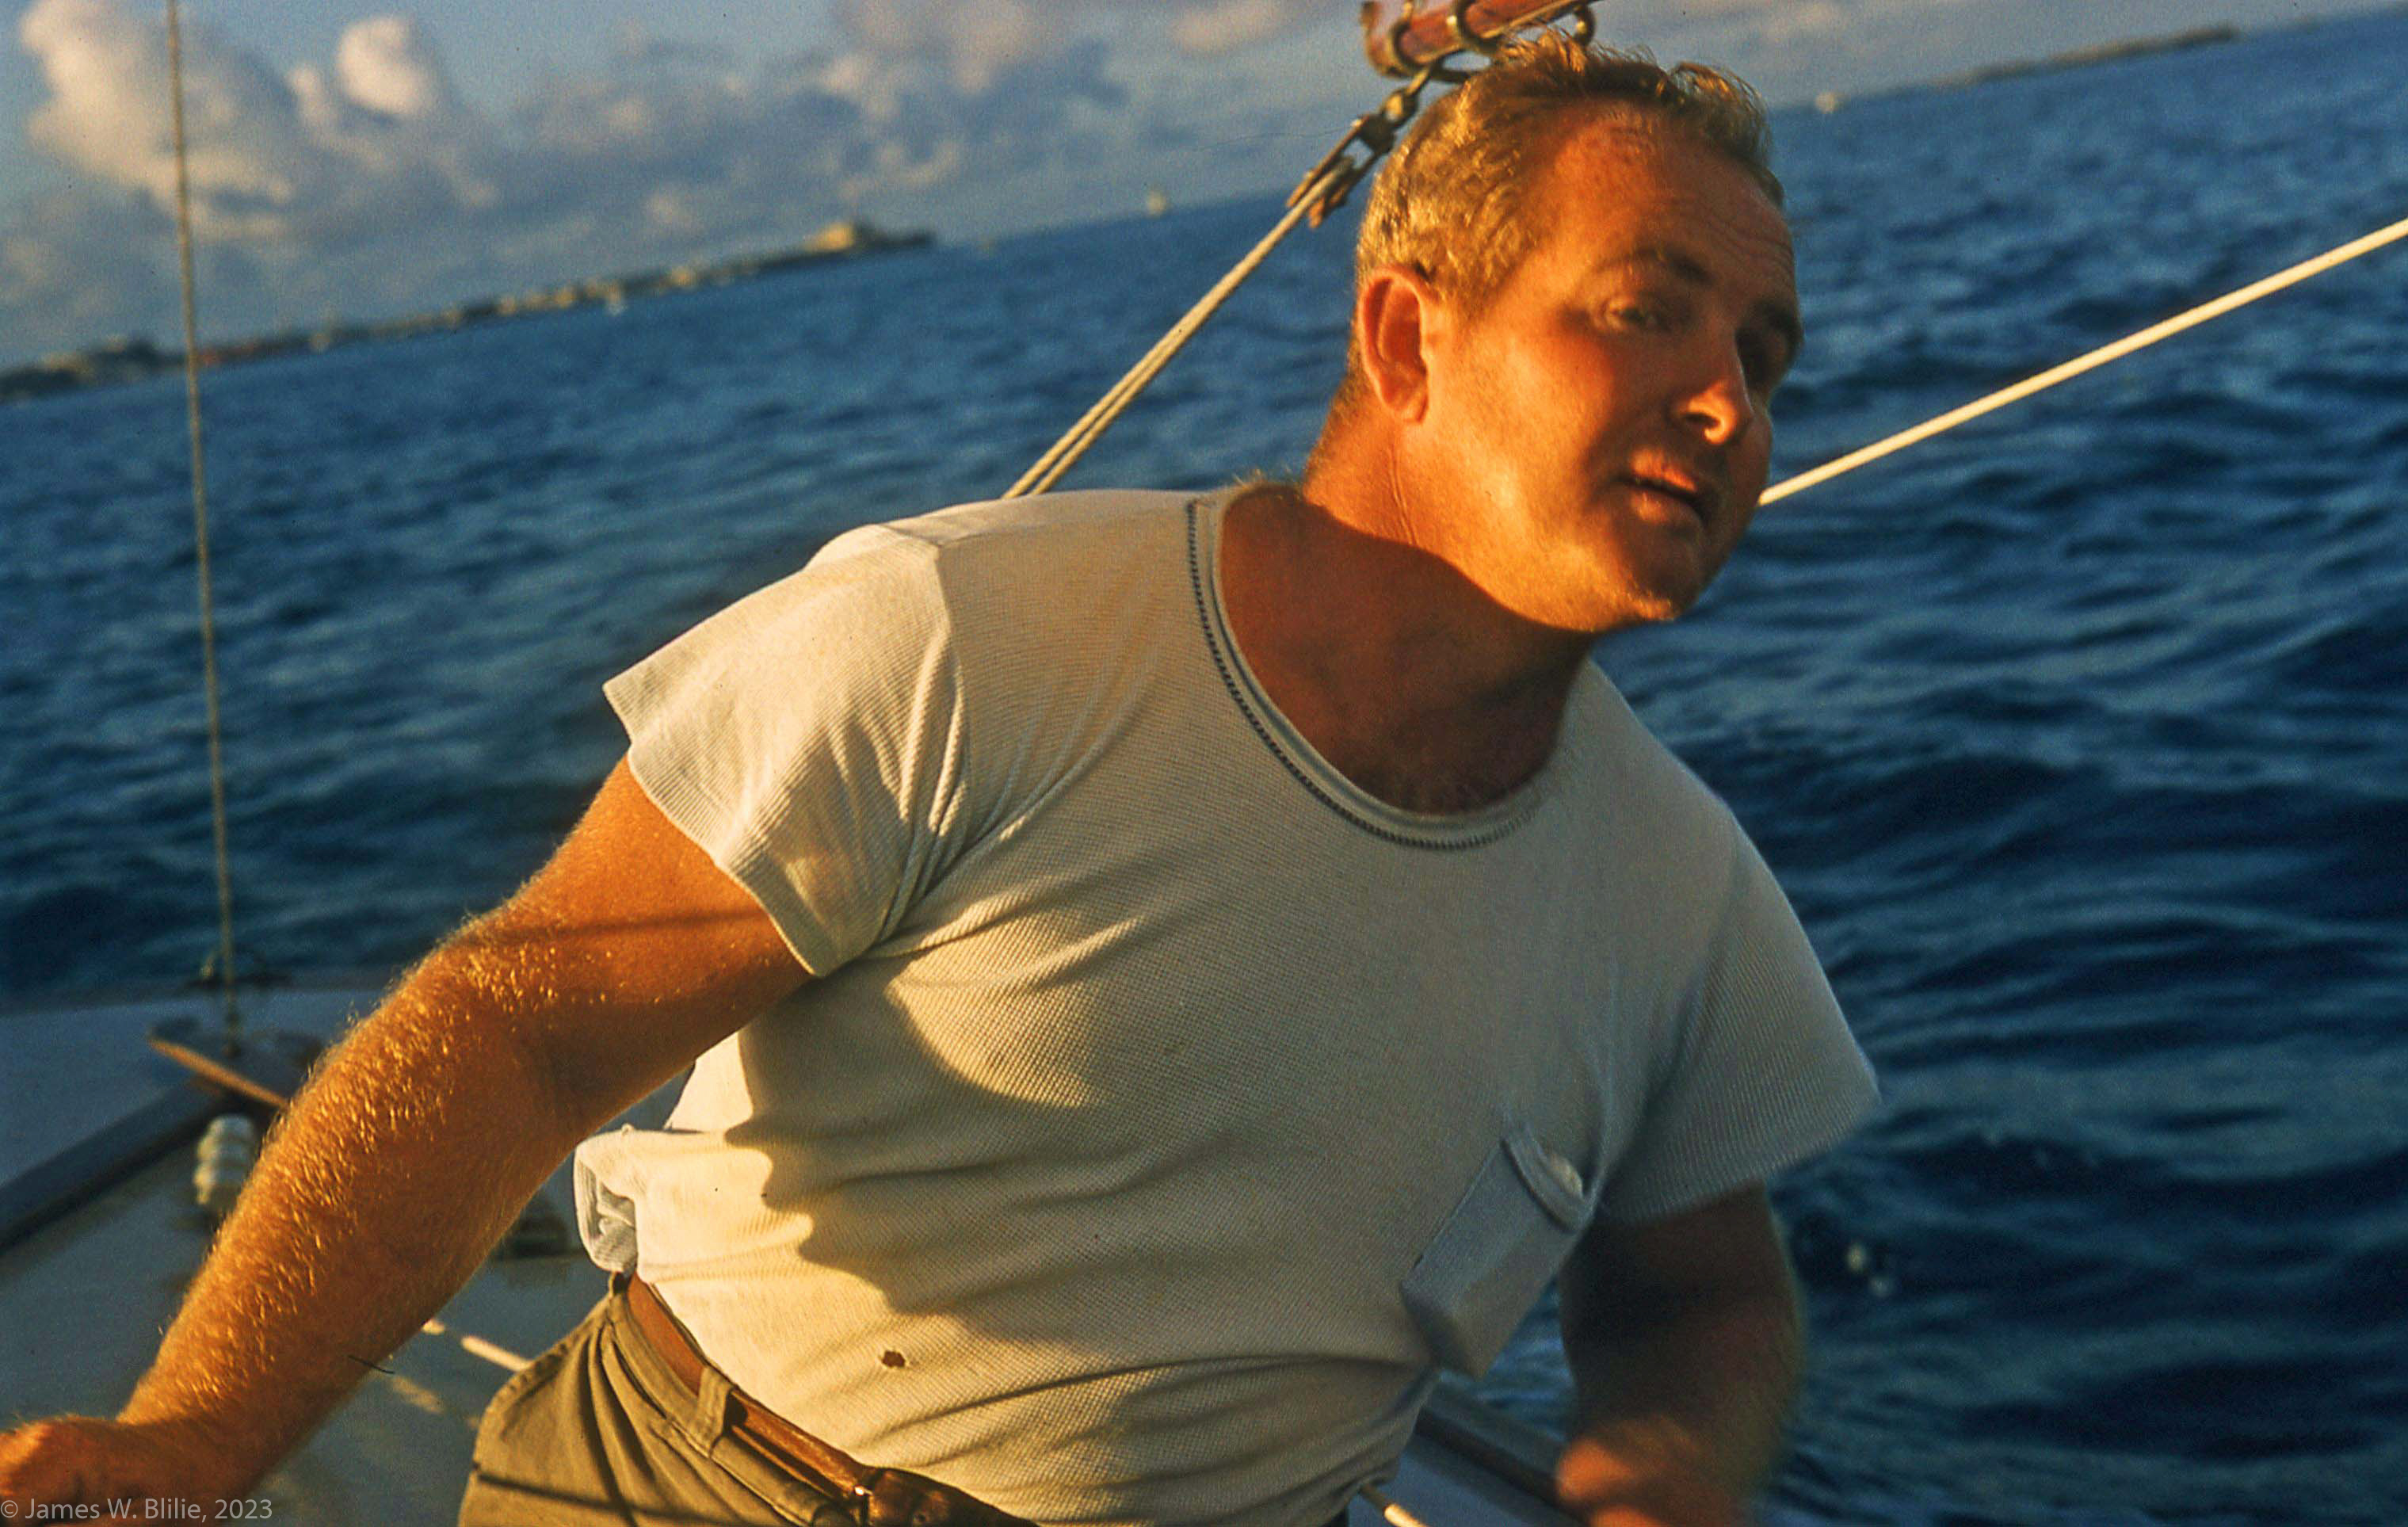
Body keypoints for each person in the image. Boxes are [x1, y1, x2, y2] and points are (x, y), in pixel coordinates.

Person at [0, 34, 1876, 1527]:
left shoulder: (1683, 897)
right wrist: (199, 1435)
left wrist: (1660, 1487)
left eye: (1764, 351)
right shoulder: (964, 639)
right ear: (1406, 335)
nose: (1733, 400)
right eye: (1649, 310)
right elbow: (524, 1031)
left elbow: (1698, 1295)